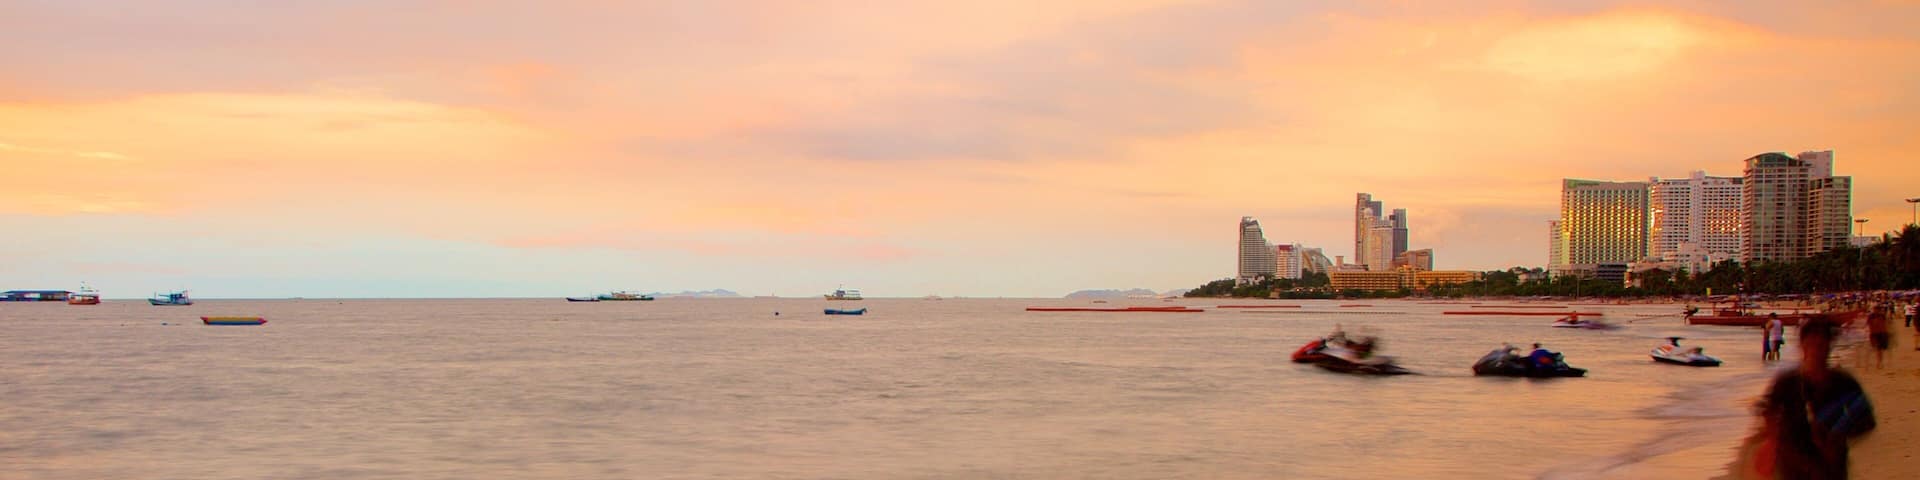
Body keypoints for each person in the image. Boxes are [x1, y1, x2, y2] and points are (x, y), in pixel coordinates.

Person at [1756, 316, 1875, 479]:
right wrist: (1772, 443)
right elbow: (1768, 411)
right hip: (1793, 464)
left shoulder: (1844, 383)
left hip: (1830, 465)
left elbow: (1867, 421)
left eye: (1821, 345)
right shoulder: (1787, 383)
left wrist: (1837, 434)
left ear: (1829, 345)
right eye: (1811, 344)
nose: (1816, 350)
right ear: (1802, 345)